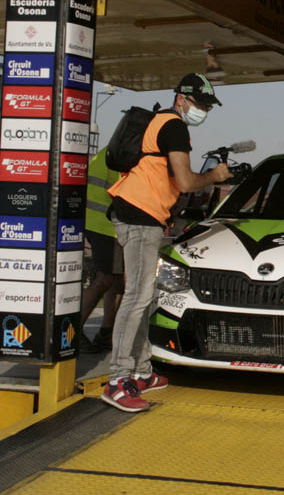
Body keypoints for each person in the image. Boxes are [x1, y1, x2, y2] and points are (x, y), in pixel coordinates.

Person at [102, 73, 230, 412]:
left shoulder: (161, 121)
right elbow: (186, 182)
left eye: (208, 107)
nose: (204, 111)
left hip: (143, 214)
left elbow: (169, 178)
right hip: (140, 216)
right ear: (181, 98)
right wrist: (215, 176)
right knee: (137, 296)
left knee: (143, 296)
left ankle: (142, 370)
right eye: (201, 104)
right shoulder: (173, 126)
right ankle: (117, 381)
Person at [79, 147, 124, 354]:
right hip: (105, 224)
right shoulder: (125, 153)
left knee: (116, 280)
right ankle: (72, 330)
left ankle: (107, 333)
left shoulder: (112, 150)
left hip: (98, 220)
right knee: (105, 278)